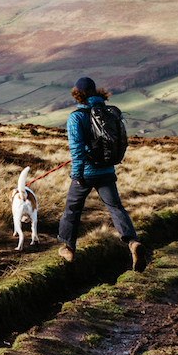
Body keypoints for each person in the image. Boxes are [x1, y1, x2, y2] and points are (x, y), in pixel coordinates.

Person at [56, 76, 149, 271]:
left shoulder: (77, 117)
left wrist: (77, 176)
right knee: (115, 208)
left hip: (87, 172)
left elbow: (77, 150)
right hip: (107, 170)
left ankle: (69, 248)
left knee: (72, 209)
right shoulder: (108, 113)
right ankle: (133, 242)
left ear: (77, 95)